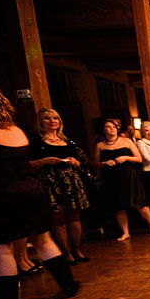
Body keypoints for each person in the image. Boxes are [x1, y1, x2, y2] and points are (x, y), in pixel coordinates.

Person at [0, 85, 79, 299]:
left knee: (1, 251)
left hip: (0, 196)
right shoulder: (16, 131)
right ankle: (69, 284)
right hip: (31, 192)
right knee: (44, 241)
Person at [28, 107, 91, 263]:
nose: (52, 121)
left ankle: (78, 250)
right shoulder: (36, 141)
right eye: (47, 118)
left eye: (55, 118)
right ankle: (66, 252)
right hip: (50, 181)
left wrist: (75, 162)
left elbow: (83, 161)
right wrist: (45, 161)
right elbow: (28, 163)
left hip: (70, 180)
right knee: (58, 217)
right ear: (40, 122)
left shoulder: (67, 140)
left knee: (75, 216)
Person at [95, 119, 150, 240]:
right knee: (119, 206)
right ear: (104, 130)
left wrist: (125, 158)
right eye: (108, 127)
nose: (112, 129)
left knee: (139, 203)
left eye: (114, 127)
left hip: (129, 175)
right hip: (112, 177)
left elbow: (139, 159)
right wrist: (104, 163)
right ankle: (125, 232)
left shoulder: (126, 141)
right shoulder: (100, 145)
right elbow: (96, 164)